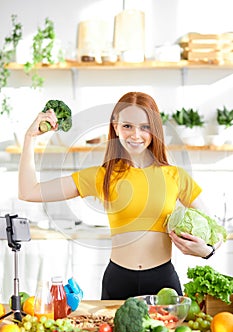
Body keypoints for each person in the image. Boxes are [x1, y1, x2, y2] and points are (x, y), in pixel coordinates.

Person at [18, 91, 222, 300]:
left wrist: (207, 251)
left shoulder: (175, 176)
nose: (135, 135)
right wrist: (29, 138)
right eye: (127, 126)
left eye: (145, 127)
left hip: (163, 283)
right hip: (118, 281)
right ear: (115, 127)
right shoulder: (101, 176)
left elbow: (217, 230)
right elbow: (29, 191)